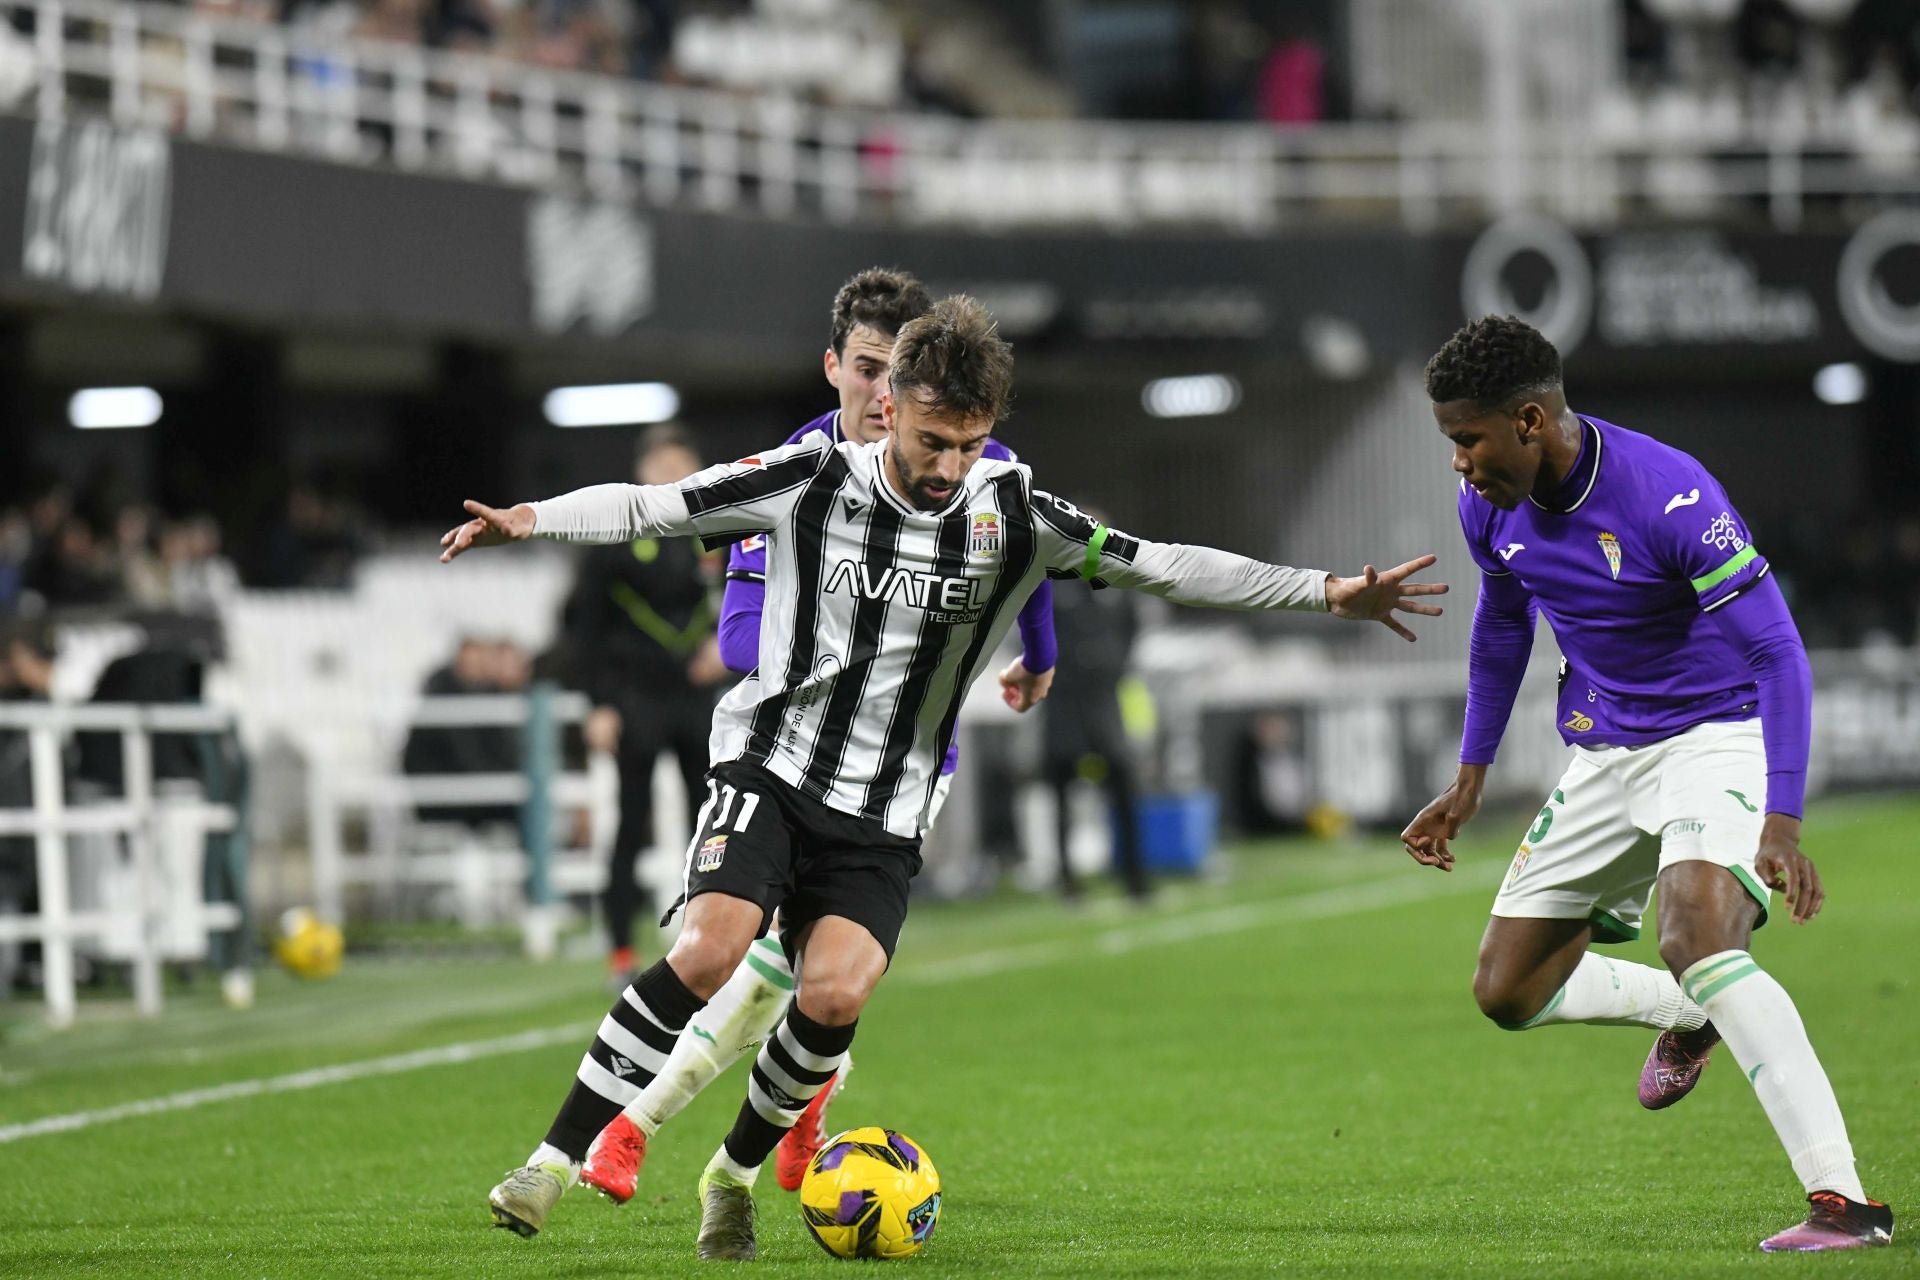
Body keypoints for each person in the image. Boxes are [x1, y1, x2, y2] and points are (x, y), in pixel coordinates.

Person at [444, 295, 1444, 1258]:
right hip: (775, 760)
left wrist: (1326, 591)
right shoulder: (806, 477)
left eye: (970, 443)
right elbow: (655, 503)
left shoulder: (1013, 509)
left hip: (888, 799)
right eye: (933, 441)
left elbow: (1170, 564)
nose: (950, 465)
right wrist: (529, 518)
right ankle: (548, 1158)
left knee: (834, 994)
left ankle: (731, 1175)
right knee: (711, 947)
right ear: (890, 409)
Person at [1401, 315, 1892, 1254]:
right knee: (1508, 990)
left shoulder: (1668, 495)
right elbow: (1501, 627)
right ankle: (1687, 1012)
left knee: (1696, 935)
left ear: (1532, 421)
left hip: (1718, 735)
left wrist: (1781, 823)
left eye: (1469, 439)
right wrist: (1469, 778)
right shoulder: (1489, 507)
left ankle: (1845, 1202)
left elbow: (1779, 653)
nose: (1460, 463)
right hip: (1605, 749)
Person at [573, 266, 1063, 1205]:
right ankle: (649, 1130)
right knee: (760, 972)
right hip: (799, 761)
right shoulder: (800, 471)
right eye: (870, 368)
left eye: (902, 369)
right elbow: (739, 636)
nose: (887, 392)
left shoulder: (957, 458)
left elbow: (1032, 560)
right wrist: (856, 656)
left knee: (814, 985)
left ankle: (707, 1127)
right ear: (835, 366)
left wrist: (1037, 656)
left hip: (910, 772)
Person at [563, 425, 727, 985]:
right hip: (634, 699)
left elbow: (750, 596)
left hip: (696, 698)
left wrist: (726, 648)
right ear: (642, 474)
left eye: (684, 465)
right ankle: (619, 951)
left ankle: (702, 941)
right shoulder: (614, 536)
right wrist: (599, 703)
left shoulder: (715, 530)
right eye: (664, 466)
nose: (674, 476)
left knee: (711, 824)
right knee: (630, 824)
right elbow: (583, 629)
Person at [1041, 571, 1148, 902]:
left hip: (1104, 703)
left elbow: (1132, 628)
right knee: (1062, 792)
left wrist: (1113, 666)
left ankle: (1135, 878)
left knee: (1125, 787)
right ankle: (1067, 880)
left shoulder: (1115, 586)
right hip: (1063, 703)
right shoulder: (1053, 586)